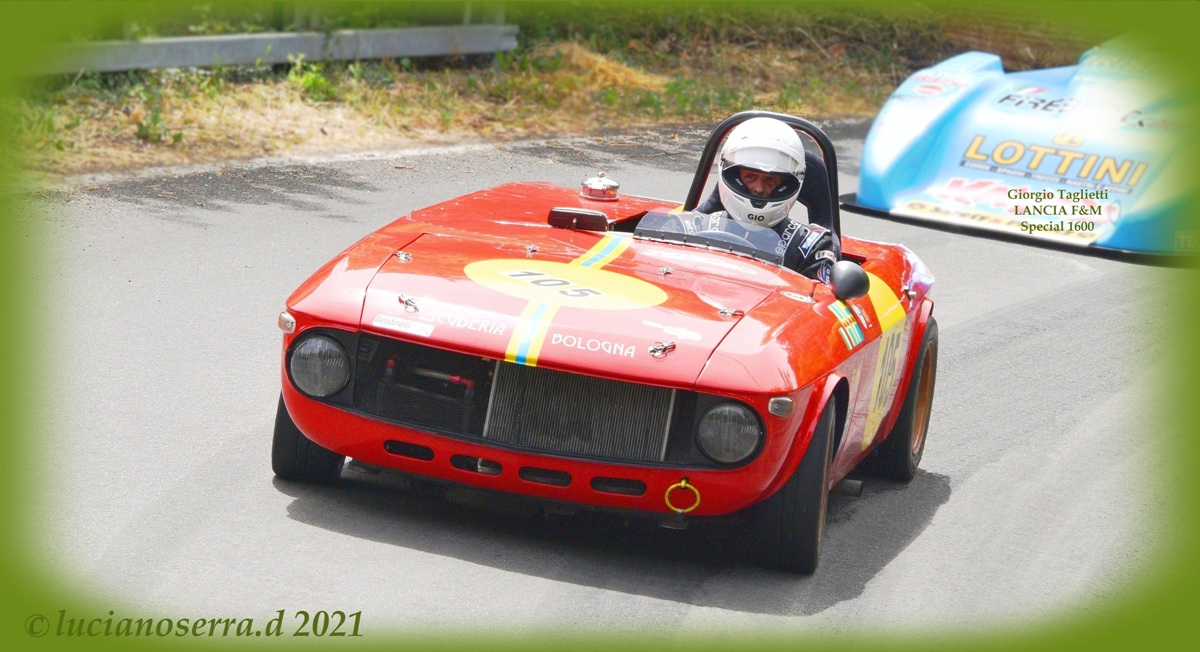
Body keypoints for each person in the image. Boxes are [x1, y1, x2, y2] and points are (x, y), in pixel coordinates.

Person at [689, 117, 839, 282]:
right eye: (750, 176)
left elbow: (820, 302)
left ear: (787, 184)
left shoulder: (811, 248)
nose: (759, 188)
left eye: (771, 180)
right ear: (732, 175)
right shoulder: (692, 227)